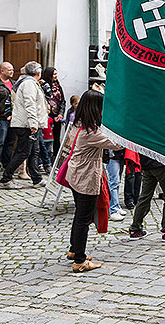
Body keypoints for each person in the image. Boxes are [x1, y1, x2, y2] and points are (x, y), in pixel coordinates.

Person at [65, 89, 121, 272]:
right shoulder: (91, 133)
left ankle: (75, 250)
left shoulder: (77, 125)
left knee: (80, 215)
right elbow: (117, 144)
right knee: (84, 219)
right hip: (86, 177)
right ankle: (80, 261)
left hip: (75, 175)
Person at [1, 61, 48, 188]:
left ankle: (36, 178)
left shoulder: (29, 82)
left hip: (30, 124)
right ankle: (6, 178)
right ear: (38, 72)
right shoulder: (29, 84)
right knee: (23, 152)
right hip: (26, 125)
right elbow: (30, 104)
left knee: (34, 152)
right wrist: (33, 123)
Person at [41, 67, 66, 155]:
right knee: (46, 138)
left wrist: (60, 114)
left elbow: (62, 101)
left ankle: (55, 156)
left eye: (56, 74)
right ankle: (45, 158)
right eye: (54, 74)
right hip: (47, 116)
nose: (56, 76)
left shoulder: (58, 86)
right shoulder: (43, 86)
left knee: (57, 137)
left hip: (57, 115)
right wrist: (50, 115)